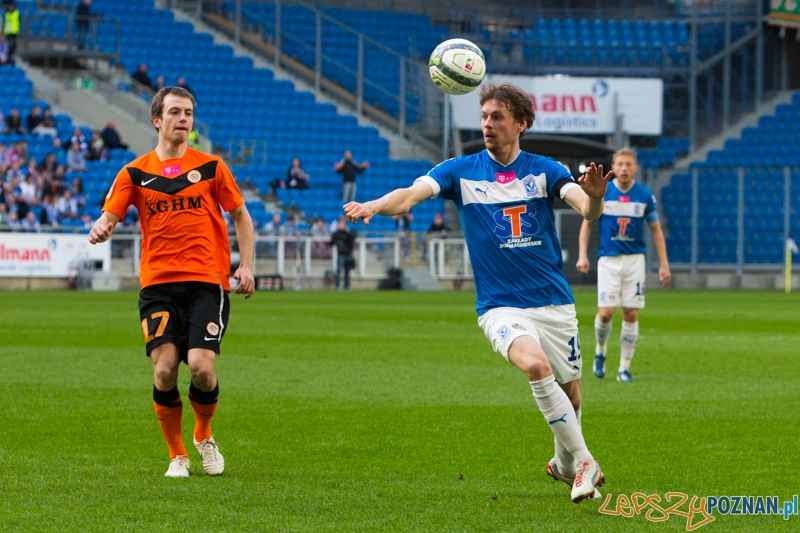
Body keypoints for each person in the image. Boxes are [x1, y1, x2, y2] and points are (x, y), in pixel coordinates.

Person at [344, 82, 610, 503]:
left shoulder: (545, 169)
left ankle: (562, 464)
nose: (487, 124)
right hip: (500, 306)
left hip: (554, 302)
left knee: (571, 395)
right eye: (484, 116)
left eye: (497, 117)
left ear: (521, 124)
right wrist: (376, 204)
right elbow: (410, 195)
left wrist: (596, 199)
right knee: (535, 366)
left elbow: (585, 207)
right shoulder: (460, 170)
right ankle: (584, 462)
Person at [87, 86, 255, 478]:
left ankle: (203, 435)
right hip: (158, 285)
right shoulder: (134, 172)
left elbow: (241, 216)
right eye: (176, 112)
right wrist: (102, 226)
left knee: (200, 367)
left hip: (206, 281)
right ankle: (177, 454)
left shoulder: (212, 167)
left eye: (189, 113)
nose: (183, 119)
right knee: (164, 371)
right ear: (157, 120)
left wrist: (245, 266)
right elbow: (109, 215)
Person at [575, 147, 671, 383]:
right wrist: (582, 255)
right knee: (606, 314)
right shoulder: (604, 192)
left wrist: (664, 264)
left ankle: (624, 368)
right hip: (608, 260)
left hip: (634, 261)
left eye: (628, 164)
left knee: (631, 313)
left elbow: (656, 230)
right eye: (620, 164)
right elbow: (588, 222)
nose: (624, 168)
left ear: (636, 167)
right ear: (613, 167)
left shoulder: (645, 196)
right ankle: (600, 351)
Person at [330, 216, 355, 290]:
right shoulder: (336, 234)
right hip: (341, 254)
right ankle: (337, 285)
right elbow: (331, 243)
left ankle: (347, 285)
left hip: (348, 254)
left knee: (347, 271)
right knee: (339, 270)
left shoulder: (347, 233)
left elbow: (351, 243)